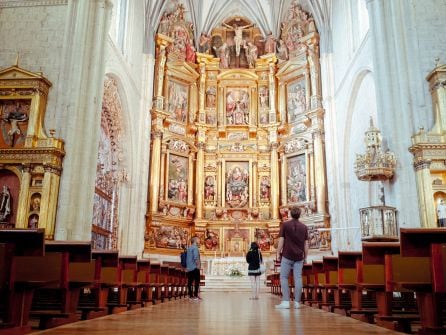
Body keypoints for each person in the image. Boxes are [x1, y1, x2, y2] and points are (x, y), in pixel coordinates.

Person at [275, 206, 309, 309]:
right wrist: (305, 257)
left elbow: (281, 240)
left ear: (290, 214)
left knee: (284, 277)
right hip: (299, 256)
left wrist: (277, 252)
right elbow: (306, 244)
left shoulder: (285, 225)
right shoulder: (304, 227)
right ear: (300, 215)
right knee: (298, 278)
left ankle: (286, 301)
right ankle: (297, 302)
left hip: (287, 255)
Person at [186, 236, 201, 300]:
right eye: (198, 239)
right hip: (194, 267)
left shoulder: (189, 248)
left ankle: (190, 295)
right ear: (195, 240)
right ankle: (195, 295)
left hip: (189, 267)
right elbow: (195, 257)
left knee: (190, 282)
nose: (199, 240)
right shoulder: (195, 247)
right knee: (197, 281)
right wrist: (198, 265)